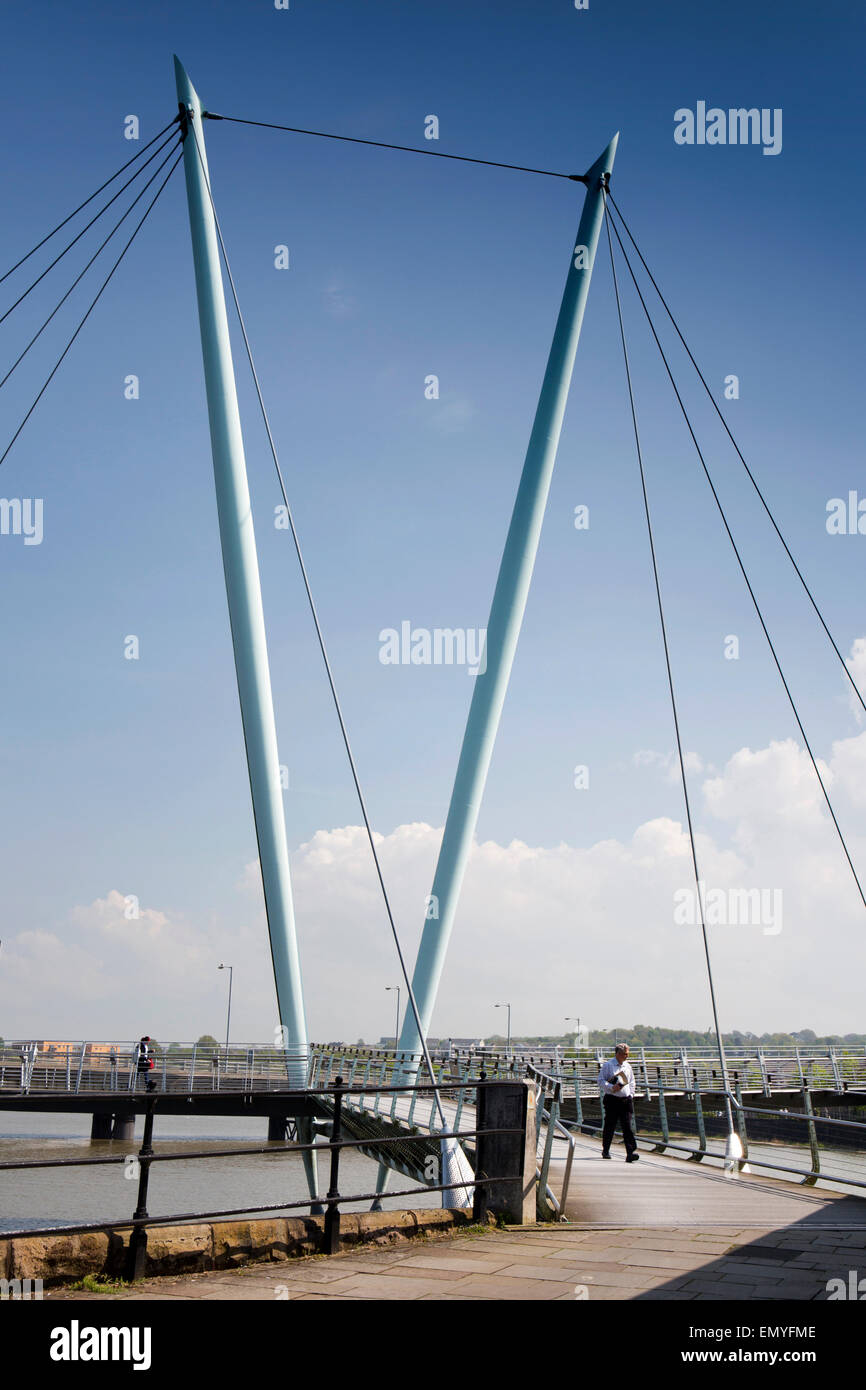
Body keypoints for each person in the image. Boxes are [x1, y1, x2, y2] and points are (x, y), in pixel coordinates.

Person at [599, 1043, 639, 1162]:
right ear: (618, 1054)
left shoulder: (628, 1066)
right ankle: (606, 1150)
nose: (627, 1056)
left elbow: (632, 1082)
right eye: (625, 1054)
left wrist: (631, 1094)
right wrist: (611, 1087)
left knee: (627, 1126)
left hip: (625, 1100)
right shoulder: (608, 1065)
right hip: (612, 1099)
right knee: (610, 1125)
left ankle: (630, 1152)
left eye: (627, 1054)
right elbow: (600, 1080)